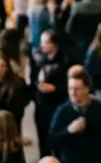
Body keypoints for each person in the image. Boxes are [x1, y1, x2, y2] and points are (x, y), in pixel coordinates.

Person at [47, 73, 101, 163]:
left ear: (87, 88)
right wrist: (68, 130)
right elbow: (51, 140)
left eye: (77, 89)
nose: (73, 93)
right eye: (70, 88)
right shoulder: (62, 111)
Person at [30, 30, 69, 158]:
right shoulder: (40, 60)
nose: (42, 45)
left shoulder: (65, 61)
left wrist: (55, 88)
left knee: (57, 140)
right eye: (42, 42)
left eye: (46, 42)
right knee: (43, 140)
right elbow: (33, 79)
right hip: (41, 107)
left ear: (55, 45)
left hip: (57, 107)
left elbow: (69, 84)